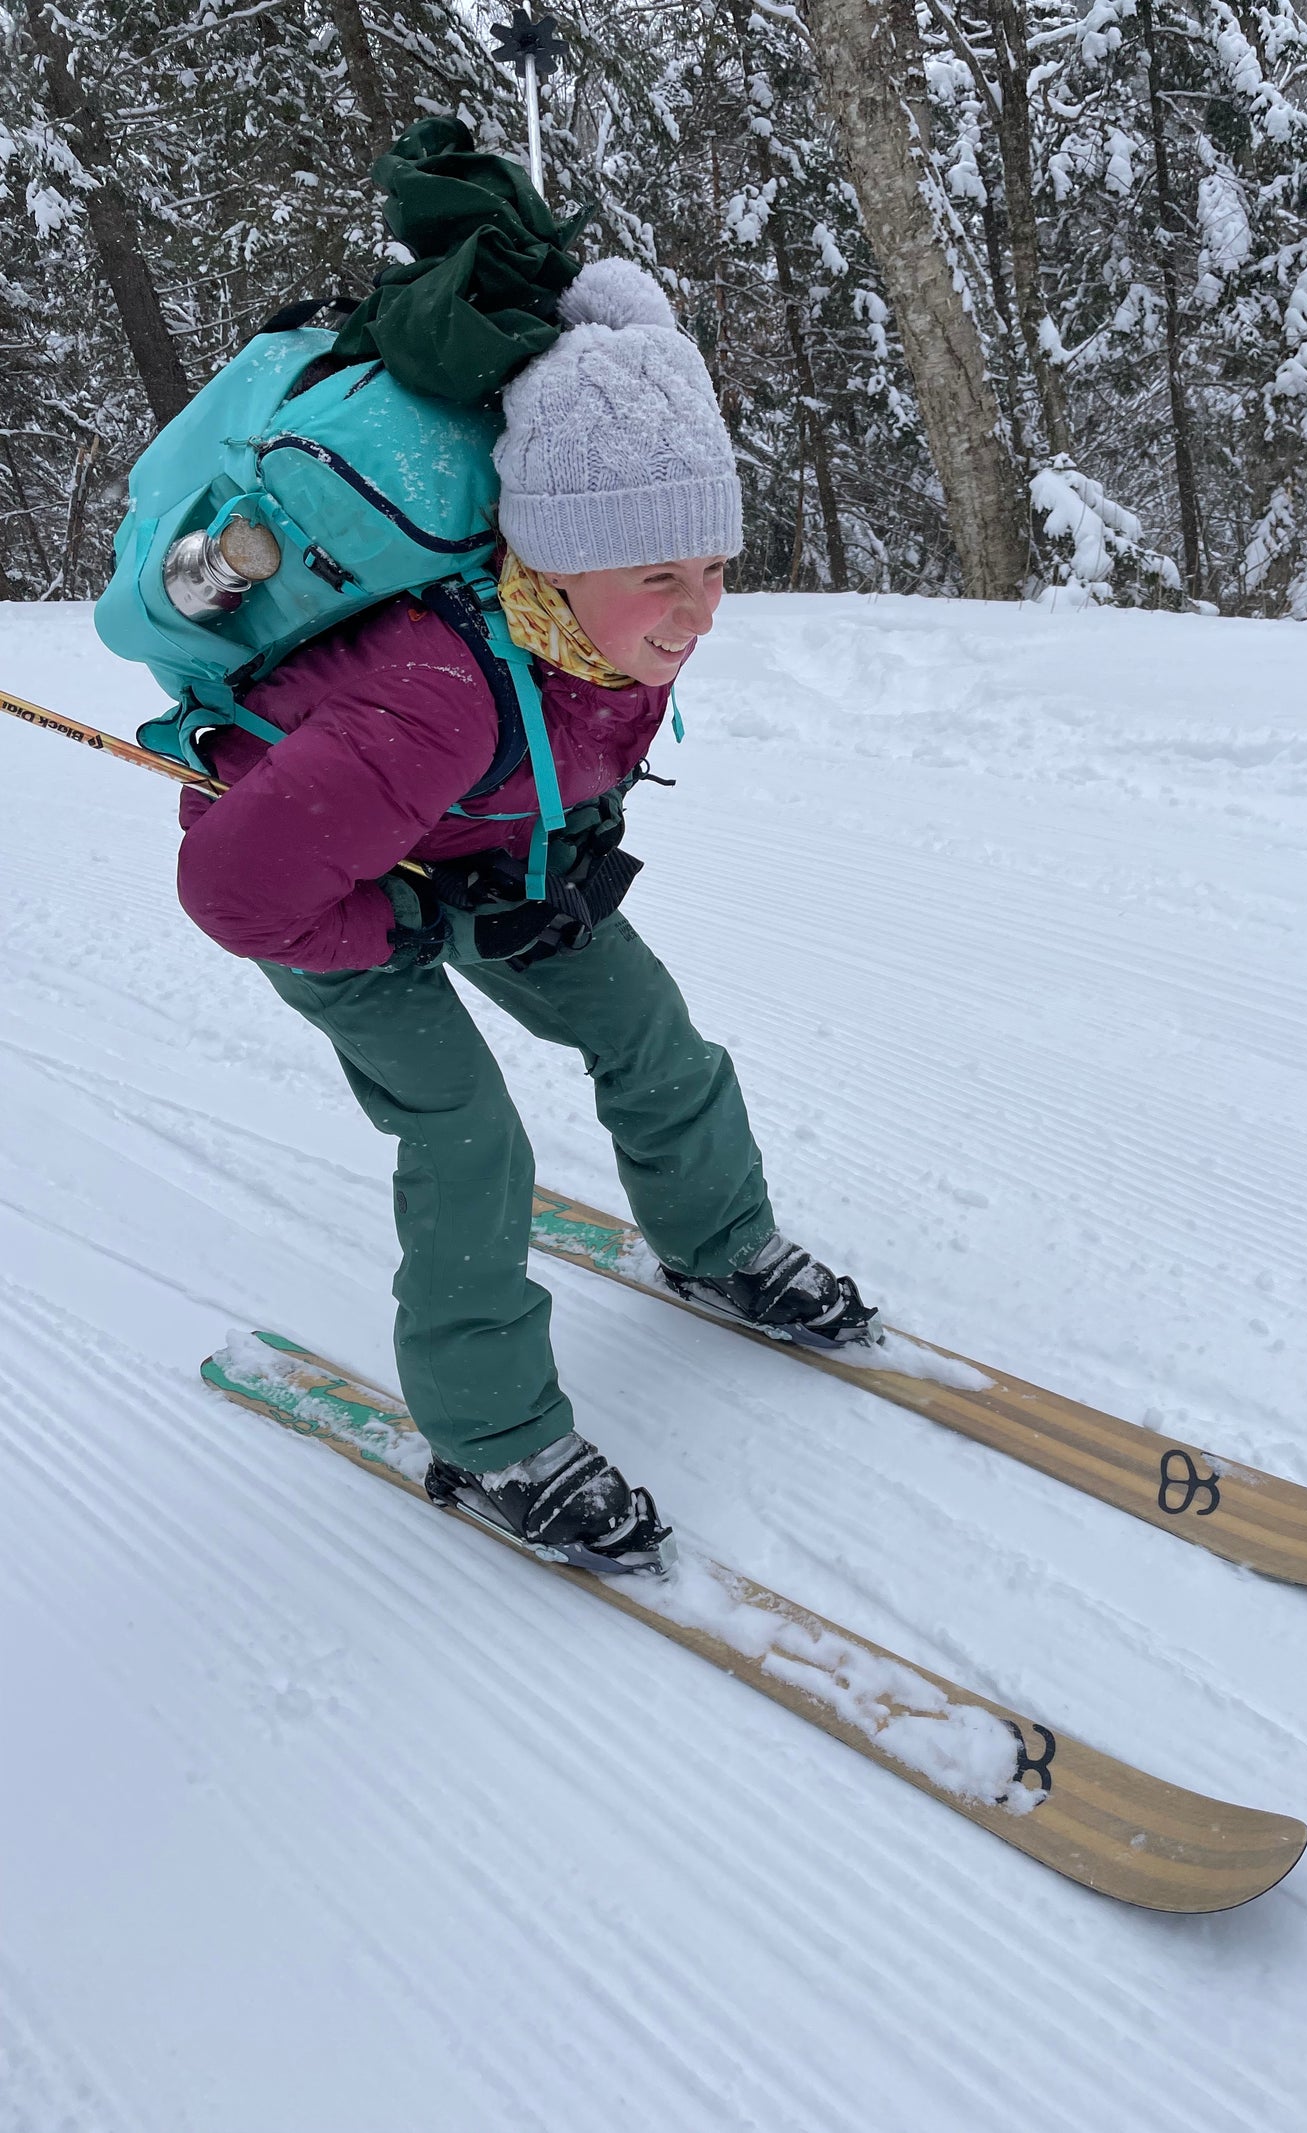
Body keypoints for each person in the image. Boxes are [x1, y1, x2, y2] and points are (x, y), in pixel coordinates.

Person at [174, 258, 876, 1574]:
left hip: (485, 862)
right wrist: (391, 930)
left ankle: (720, 1243)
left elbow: (566, 763)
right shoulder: (434, 693)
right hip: (323, 902)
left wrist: (574, 865)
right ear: (554, 554)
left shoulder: (600, 640)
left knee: (654, 1034)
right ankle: (492, 1430)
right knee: (469, 1136)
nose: (699, 609)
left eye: (716, 565)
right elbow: (232, 891)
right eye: (661, 571)